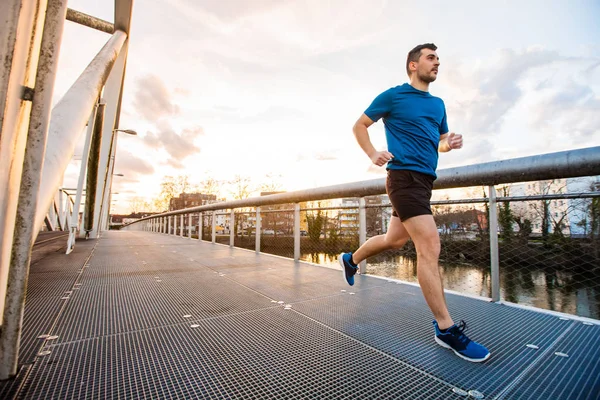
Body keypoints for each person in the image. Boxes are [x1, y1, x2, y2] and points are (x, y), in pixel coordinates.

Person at [339, 43, 490, 363]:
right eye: (431, 58)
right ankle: (445, 329)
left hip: (425, 182)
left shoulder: (438, 104)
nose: (437, 63)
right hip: (403, 178)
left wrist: (449, 142)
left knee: (395, 240)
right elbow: (359, 125)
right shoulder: (394, 96)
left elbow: (440, 142)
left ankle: (351, 258)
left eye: (438, 59)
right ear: (412, 65)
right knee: (429, 246)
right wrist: (372, 153)